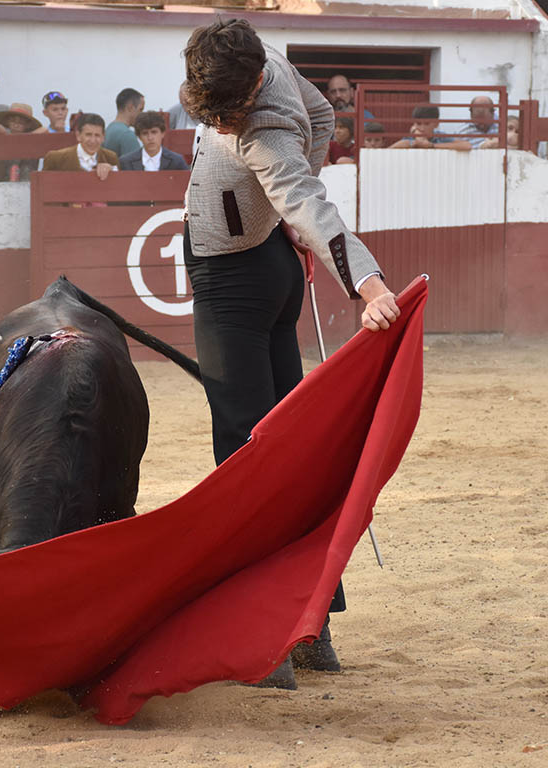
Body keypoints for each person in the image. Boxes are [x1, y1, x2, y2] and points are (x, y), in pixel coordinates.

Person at [181, 19, 399, 689]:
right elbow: (324, 113)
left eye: (230, 110)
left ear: (251, 86)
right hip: (271, 265)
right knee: (291, 445)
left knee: (246, 456)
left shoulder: (266, 131)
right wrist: (285, 216)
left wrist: (368, 285)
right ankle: (314, 631)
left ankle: (266, 638)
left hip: (233, 282)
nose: (222, 121)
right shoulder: (257, 54)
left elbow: (308, 203)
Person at [42, 112, 118, 179]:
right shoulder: (56, 159)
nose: (93, 140)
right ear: (78, 136)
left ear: (103, 137)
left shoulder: (110, 158)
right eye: (88, 135)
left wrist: (112, 169)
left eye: (97, 135)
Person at [118, 110, 189, 170]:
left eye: (154, 132)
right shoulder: (126, 162)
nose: (150, 138)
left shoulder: (176, 161)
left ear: (163, 133)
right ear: (139, 136)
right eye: (145, 133)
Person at [0, 102, 46, 181]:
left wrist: (27, 138)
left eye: (21, 122)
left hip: (27, 184)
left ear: (28, 125)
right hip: (2, 184)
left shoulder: (32, 142)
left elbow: (44, 129)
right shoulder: (2, 140)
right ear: (7, 121)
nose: (16, 125)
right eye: (13, 121)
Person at [388, 105, 473, 150]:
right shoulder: (410, 138)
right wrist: (413, 143)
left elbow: (467, 145)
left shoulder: (440, 137)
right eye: (418, 124)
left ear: (436, 124)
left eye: (427, 124)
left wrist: (432, 146)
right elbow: (388, 151)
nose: (422, 128)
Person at [104, 88, 144, 157]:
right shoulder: (127, 135)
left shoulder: (108, 130)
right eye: (140, 109)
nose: (141, 114)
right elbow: (135, 163)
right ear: (130, 107)